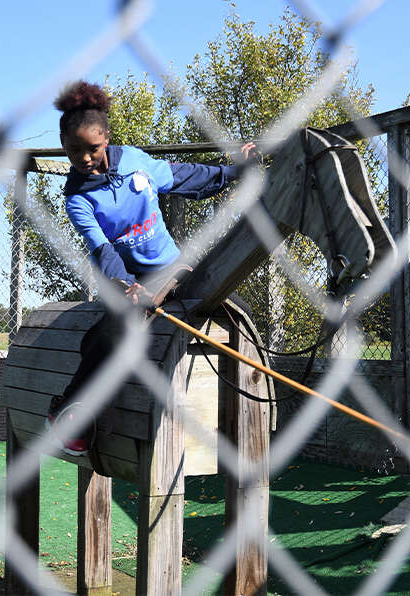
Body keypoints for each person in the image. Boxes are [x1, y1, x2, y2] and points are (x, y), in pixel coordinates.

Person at [47, 80, 257, 455]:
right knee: (117, 329)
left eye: (92, 148)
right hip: (124, 279)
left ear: (107, 138)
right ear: (64, 145)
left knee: (234, 304)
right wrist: (125, 282)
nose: (84, 158)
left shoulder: (136, 163)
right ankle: (68, 408)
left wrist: (232, 172)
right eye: (74, 150)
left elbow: (184, 177)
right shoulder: (76, 199)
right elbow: (101, 248)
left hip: (171, 267)